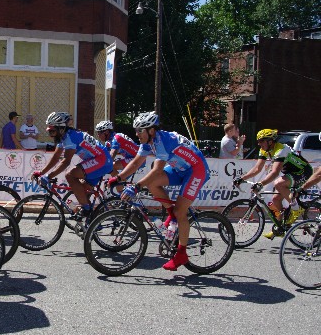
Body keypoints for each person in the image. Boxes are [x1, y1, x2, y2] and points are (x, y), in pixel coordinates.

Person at [109, 111, 210, 271]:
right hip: (180, 168)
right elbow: (136, 163)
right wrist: (119, 178)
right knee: (153, 184)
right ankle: (172, 215)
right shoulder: (149, 141)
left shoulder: (163, 141)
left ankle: (182, 254)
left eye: (139, 130)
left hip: (196, 170)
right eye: (136, 130)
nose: (136, 134)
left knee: (180, 211)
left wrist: (136, 187)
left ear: (151, 130)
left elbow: (157, 170)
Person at [233, 128, 313, 239]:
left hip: (302, 171)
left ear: (270, 141)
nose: (259, 143)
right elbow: (257, 168)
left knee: (278, 184)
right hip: (290, 172)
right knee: (275, 200)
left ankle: (296, 208)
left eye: (261, 141)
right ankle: (280, 227)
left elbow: (275, 172)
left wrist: (260, 184)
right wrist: (242, 178)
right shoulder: (264, 150)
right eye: (258, 141)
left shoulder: (281, 149)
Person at [33, 112, 113, 218]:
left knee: (70, 174)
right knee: (83, 193)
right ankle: (92, 223)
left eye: (52, 131)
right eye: (49, 131)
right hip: (99, 160)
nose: (51, 134)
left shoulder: (70, 137)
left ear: (61, 128)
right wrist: (41, 172)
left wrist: (48, 177)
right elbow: (56, 157)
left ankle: (86, 209)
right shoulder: (64, 136)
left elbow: (66, 161)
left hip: (101, 160)